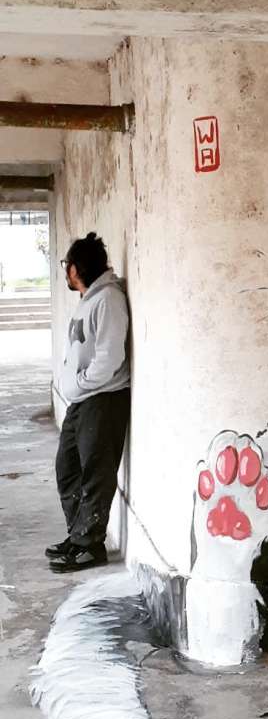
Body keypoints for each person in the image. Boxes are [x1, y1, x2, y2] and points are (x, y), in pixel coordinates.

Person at [46, 232, 130, 572]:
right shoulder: (91, 299)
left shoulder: (108, 299)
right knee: (68, 469)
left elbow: (110, 357)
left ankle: (89, 544)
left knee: (95, 473)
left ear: (76, 269)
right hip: (84, 400)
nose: (67, 271)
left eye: (67, 265)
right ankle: (79, 534)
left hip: (102, 398)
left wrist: (79, 385)